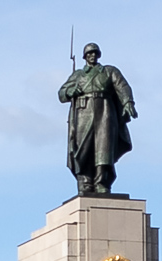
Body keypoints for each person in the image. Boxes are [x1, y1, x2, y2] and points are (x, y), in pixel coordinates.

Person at [58, 42, 137, 195]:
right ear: (85, 56)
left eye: (95, 53)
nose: (92, 56)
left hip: (105, 111)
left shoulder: (109, 71)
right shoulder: (78, 75)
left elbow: (122, 86)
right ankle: (85, 182)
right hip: (83, 112)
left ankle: (102, 182)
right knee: (83, 148)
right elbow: (61, 93)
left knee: (104, 148)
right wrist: (72, 90)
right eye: (89, 53)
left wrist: (128, 102)